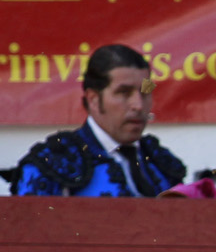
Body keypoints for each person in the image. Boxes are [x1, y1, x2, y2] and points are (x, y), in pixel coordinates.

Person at [9, 43, 186, 198]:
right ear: (93, 99)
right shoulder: (54, 163)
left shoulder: (161, 161)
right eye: (124, 93)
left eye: (145, 92)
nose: (138, 105)